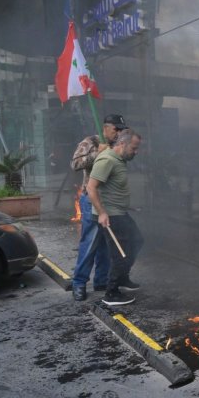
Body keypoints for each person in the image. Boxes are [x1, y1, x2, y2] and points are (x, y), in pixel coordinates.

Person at [69, 113, 126, 301]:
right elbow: (75, 164)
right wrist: (97, 153)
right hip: (92, 199)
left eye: (121, 129)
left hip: (110, 201)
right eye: (115, 129)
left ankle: (101, 280)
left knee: (105, 243)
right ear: (105, 128)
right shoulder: (91, 142)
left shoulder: (118, 145)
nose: (118, 133)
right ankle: (79, 283)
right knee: (91, 242)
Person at [86, 130, 143, 306]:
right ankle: (111, 293)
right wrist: (102, 212)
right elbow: (91, 188)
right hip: (111, 217)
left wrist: (127, 205)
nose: (136, 151)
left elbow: (110, 189)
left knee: (137, 241)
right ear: (122, 144)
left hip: (119, 212)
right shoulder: (107, 160)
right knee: (121, 254)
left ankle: (122, 278)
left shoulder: (119, 160)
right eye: (134, 147)